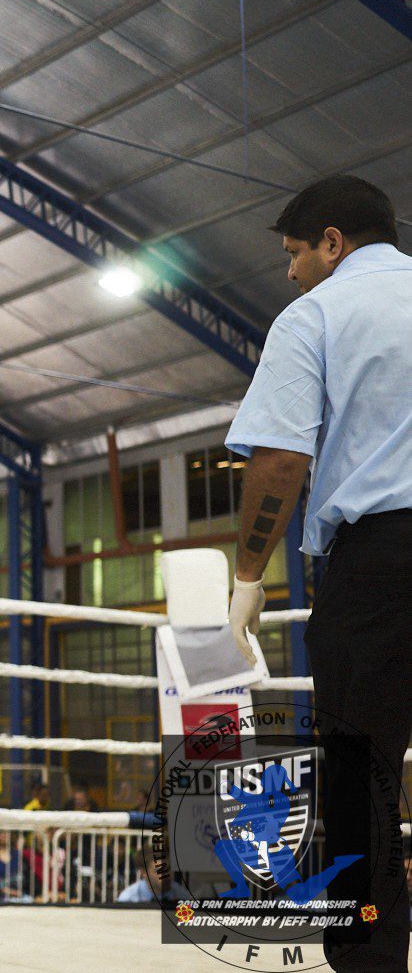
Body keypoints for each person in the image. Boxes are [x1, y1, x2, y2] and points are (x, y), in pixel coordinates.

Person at [224, 176, 411, 972]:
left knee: (362, 776)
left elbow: (280, 459)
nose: (291, 271)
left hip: (380, 564)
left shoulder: (316, 314)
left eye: (295, 253)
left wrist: (247, 576)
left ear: (333, 242)